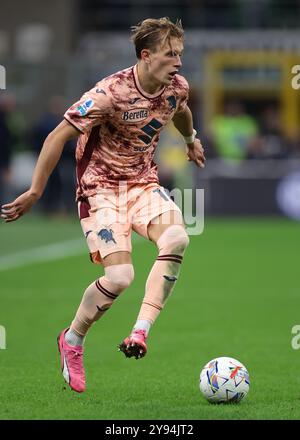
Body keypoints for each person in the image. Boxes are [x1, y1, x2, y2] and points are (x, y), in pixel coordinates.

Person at [1, 17, 205, 393]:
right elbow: (56, 137)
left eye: (180, 54)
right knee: (120, 278)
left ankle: (140, 332)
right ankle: (73, 339)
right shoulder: (109, 93)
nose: (178, 61)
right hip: (100, 189)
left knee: (177, 238)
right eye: (169, 54)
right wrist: (34, 191)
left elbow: (181, 110)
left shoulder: (176, 87)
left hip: (143, 183)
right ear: (146, 56)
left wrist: (191, 138)